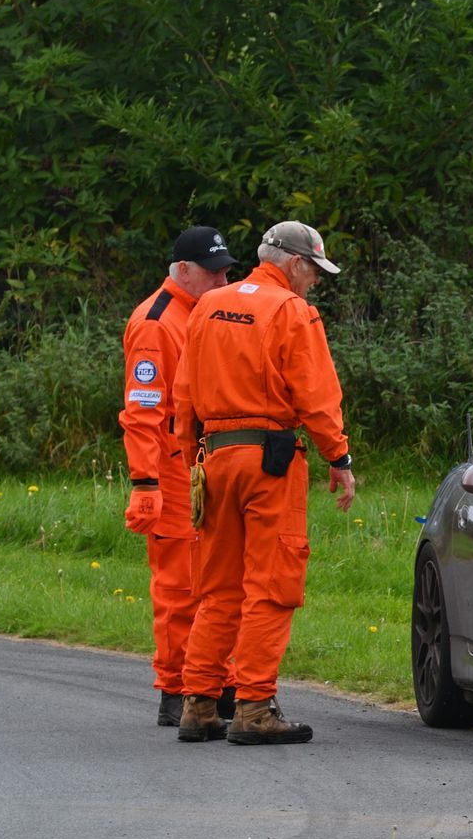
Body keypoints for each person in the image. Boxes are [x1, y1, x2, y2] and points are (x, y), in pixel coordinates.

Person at [174, 221, 357, 745]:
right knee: (271, 587)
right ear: (295, 264)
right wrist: (338, 457)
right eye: (314, 271)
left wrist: (194, 460)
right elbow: (316, 394)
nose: (315, 282)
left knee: (218, 589)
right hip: (270, 463)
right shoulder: (292, 311)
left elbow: (183, 393)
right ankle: (254, 707)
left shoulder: (208, 305)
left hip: (215, 459)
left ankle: (199, 704)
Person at [120, 226, 237, 726]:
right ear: (183, 270)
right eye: (214, 272)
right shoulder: (156, 323)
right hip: (170, 471)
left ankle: (214, 682)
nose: (222, 281)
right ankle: (177, 689)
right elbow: (142, 413)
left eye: (226, 272)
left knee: (217, 580)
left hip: (206, 464)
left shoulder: (207, 312)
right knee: (179, 587)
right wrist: (145, 483)